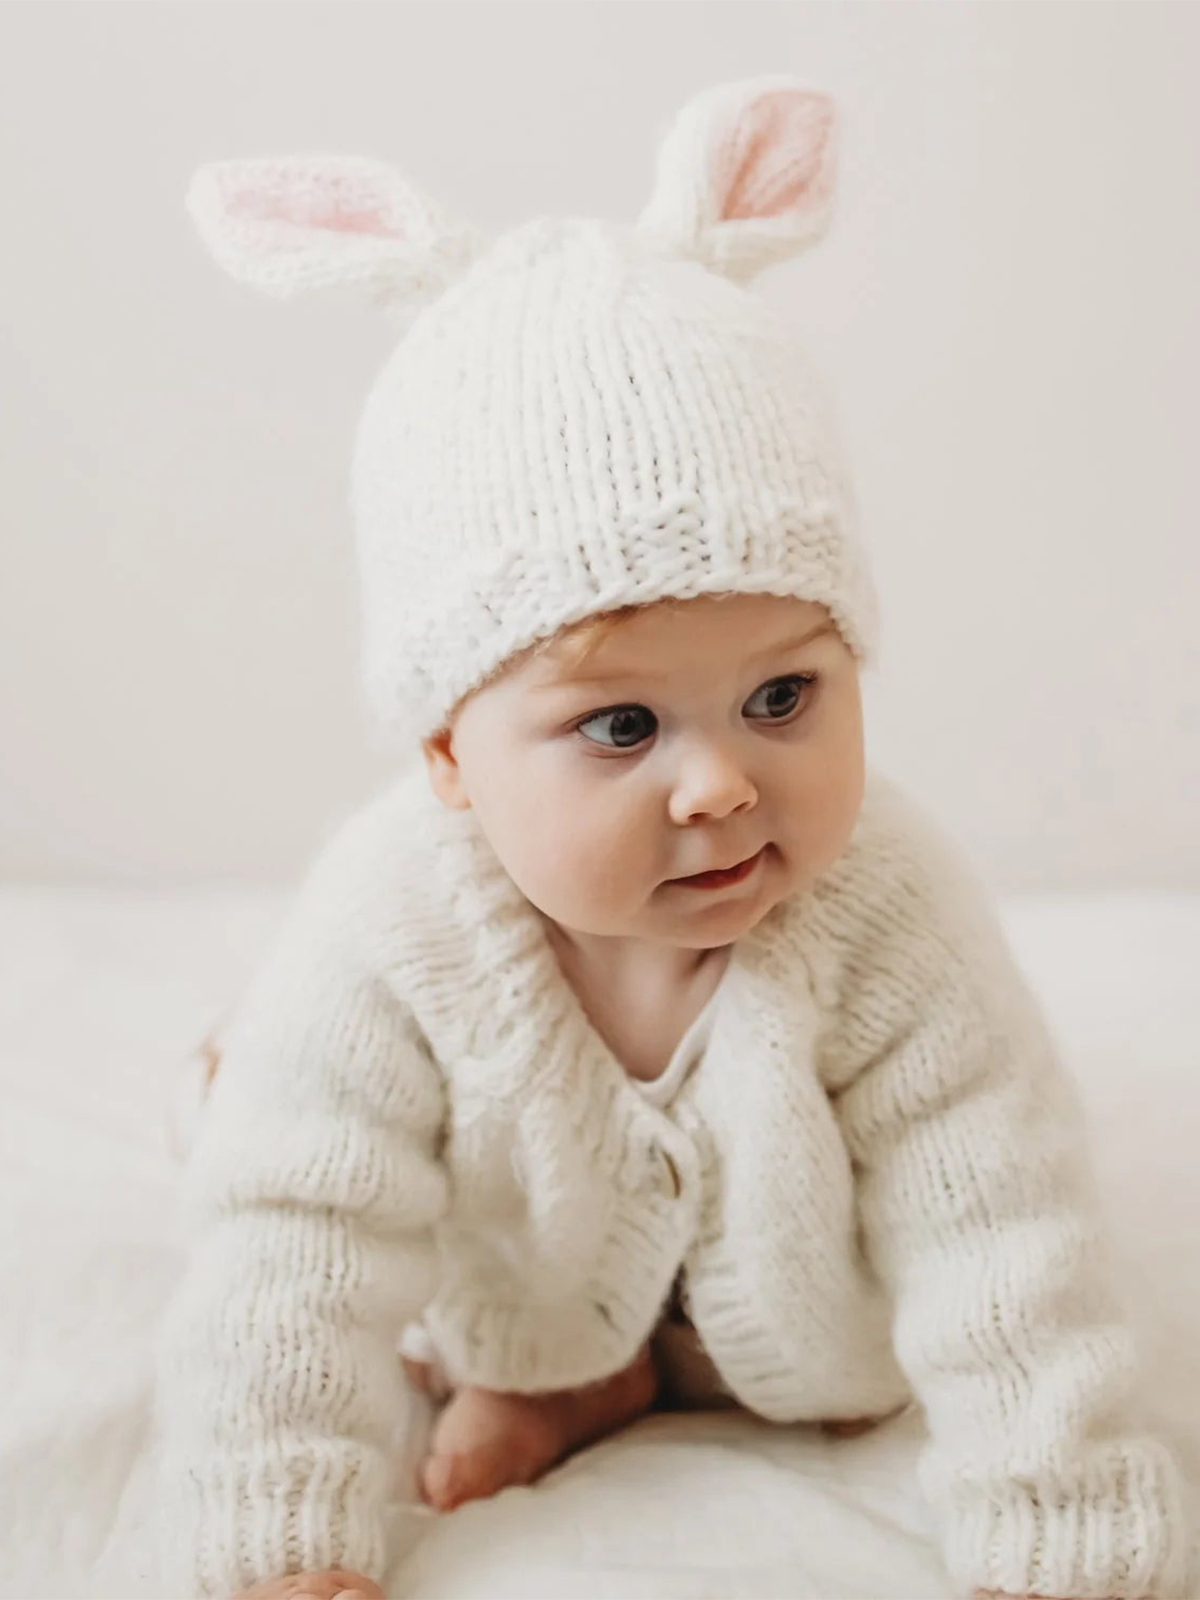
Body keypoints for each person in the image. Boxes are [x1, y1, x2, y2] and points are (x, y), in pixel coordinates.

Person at [154, 75, 1192, 1600]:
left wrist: (1063, 1521)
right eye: (623, 729)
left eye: (783, 693)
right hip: (519, 1288)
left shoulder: (885, 901)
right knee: (260, 1118)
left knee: (983, 1189)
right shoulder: (393, 912)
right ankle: (565, 1374)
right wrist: (277, 1528)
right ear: (448, 750)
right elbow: (293, 1239)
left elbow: (1002, 1219)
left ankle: (658, 1372)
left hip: (810, 1336)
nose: (720, 786)